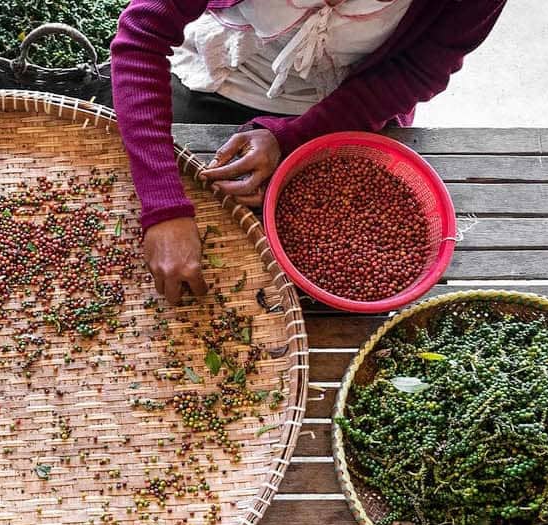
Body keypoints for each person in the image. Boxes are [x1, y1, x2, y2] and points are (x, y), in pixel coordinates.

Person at [111, 0, 506, 303]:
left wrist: (292, 138)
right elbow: (141, 38)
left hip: (348, 105)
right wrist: (163, 207)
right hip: (223, 73)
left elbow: (416, 71)